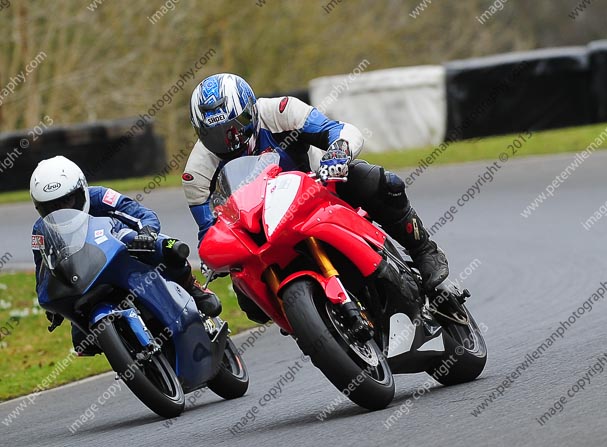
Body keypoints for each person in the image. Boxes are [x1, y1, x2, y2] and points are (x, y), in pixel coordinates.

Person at [181, 73, 450, 323]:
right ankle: (311, 325)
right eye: (214, 135)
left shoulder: (280, 111)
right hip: (259, 230)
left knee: (376, 182)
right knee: (252, 306)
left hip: (318, 190)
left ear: (250, 111)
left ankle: (423, 250)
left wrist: (338, 152)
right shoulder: (196, 173)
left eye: (235, 127)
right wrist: (217, 257)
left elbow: (337, 130)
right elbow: (208, 230)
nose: (229, 141)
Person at [30, 156, 221, 355]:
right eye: (52, 207)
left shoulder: (100, 196)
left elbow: (142, 214)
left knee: (168, 247)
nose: (63, 210)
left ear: (82, 190)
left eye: (67, 200)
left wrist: (147, 233)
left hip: (124, 248)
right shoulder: (40, 231)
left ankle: (192, 286)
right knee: (82, 342)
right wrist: (52, 307)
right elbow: (43, 272)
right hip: (85, 276)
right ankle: (128, 351)